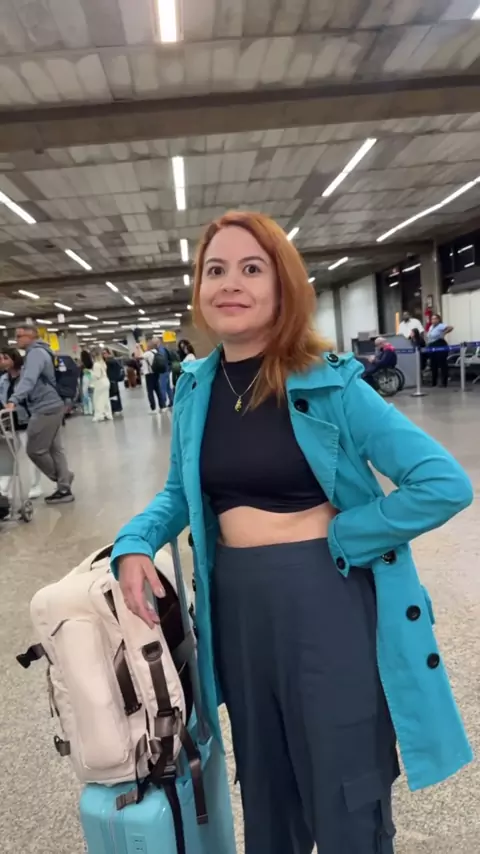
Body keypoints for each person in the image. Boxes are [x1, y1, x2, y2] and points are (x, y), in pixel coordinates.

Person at [111, 212, 473, 854]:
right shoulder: (197, 388)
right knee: (267, 783)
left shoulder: (331, 382)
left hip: (325, 598)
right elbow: (180, 493)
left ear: (283, 287)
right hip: (237, 606)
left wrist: (348, 534)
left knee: (344, 780)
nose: (230, 283)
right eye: (215, 270)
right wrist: (135, 540)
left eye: (252, 269)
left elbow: (442, 482)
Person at [5, 325, 74, 505]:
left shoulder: (35, 354)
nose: (17, 339)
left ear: (31, 336)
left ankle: (64, 480)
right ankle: (64, 488)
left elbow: (29, 379)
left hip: (45, 406)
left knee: (34, 450)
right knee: (55, 449)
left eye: (19, 336)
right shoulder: (41, 352)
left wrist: (14, 399)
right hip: (53, 403)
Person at [0, 348, 43, 499]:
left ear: (14, 359)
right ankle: (3, 490)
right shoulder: (3, 379)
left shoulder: (26, 377)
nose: (2, 362)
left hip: (27, 421)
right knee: (7, 457)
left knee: (31, 455)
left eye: (5, 358)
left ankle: (35, 486)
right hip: (9, 423)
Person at [426, 313, 453, 388]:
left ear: (438, 319)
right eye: (432, 319)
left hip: (440, 344)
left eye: (435, 319)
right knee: (433, 364)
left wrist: (444, 333)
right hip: (432, 345)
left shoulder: (441, 325)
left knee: (442, 364)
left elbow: (450, 327)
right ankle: (434, 382)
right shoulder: (431, 327)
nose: (433, 320)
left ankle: (444, 382)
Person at [142, 339, 164, 413]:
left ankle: (153, 408)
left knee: (150, 392)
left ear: (149, 346)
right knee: (158, 390)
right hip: (156, 373)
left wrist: (138, 347)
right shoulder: (156, 352)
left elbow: (137, 356)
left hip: (149, 374)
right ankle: (162, 406)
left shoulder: (147, 353)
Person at [91, 349, 113, 422]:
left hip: (100, 383)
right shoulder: (103, 363)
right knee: (106, 399)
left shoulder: (96, 364)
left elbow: (97, 376)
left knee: (97, 399)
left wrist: (90, 373)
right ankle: (108, 414)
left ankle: (99, 416)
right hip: (106, 381)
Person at [103, 349, 124, 415]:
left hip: (111, 379)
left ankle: (114, 408)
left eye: (105, 353)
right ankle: (118, 407)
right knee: (116, 394)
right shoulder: (114, 360)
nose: (104, 355)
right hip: (114, 380)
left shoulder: (108, 361)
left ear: (108, 353)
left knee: (112, 395)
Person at [80, 350, 94, 415]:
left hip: (85, 377)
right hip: (90, 377)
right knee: (91, 395)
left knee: (85, 394)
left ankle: (86, 410)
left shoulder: (82, 365)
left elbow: (82, 372)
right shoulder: (91, 362)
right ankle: (92, 409)